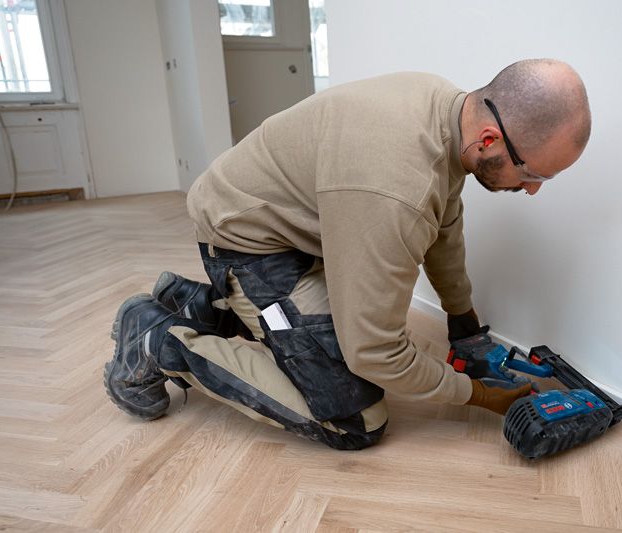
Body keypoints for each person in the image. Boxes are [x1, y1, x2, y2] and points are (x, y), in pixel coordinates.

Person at [103, 58, 591, 450]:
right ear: (489, 140)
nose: (533, 190)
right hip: (246, 241)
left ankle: (197, 305)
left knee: (344, 341)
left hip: (295, 226)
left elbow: (444, 228)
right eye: (535, 174)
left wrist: (463, 323)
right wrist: (478, 394)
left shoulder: (446, 109)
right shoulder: (395, 189)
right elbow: (374, 351)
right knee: (354, 417)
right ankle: (158, 339)